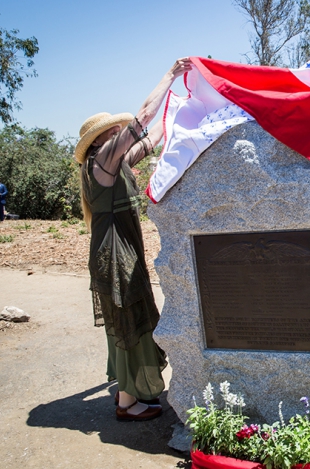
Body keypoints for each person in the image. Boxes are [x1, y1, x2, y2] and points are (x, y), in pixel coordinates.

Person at [75, 57, 193, 422]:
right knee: (130, 320)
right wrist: (169, 76)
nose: (121, 133)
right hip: (116, 254)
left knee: (131, 317)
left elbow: (153, 134)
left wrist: (181, 105)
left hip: (121, 251)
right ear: (102, 139)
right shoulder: (102, 159)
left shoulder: (117, 161)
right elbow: (143, 117)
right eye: (115, 131)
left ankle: (127, 393)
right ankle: (127, 403)